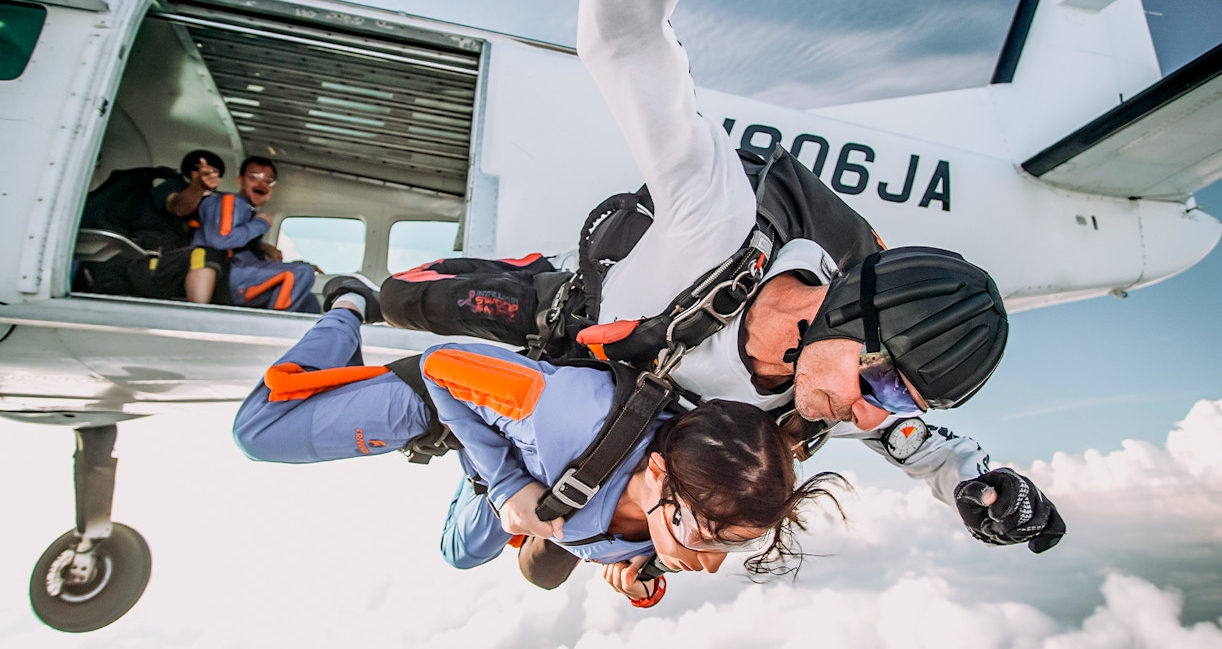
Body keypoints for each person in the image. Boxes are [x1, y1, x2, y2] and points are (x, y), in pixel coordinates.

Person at [468, 0, 1064, 562]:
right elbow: (624, 40)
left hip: (567, 431)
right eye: (885, 384)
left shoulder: (837, 385)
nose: (869, 414)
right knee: (406, 302)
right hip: (556, 312)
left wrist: (977, 486)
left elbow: (919, 443)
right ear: (853, 315)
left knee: (487, 548)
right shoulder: (719, 220)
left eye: (903, 400)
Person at [232, 279, 843, 604]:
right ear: (656, 474)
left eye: (732, 547)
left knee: (462, 553)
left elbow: (675, 537)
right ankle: (346, 305)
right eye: (704, 538)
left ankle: (480, 463)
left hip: (528, 470)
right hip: (450, 403)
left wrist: (641, 582)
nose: (705, 564)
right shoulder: (569, 413)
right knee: (259, 435)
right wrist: (507, 481)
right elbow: (445, 363)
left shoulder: (687, 508)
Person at [76, 150, 229, 303]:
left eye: (214, 172)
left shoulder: (213, 205)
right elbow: (177, 206)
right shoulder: (170, 185)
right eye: (200, 170)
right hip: (135, 265)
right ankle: (198, 318)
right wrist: (198, 187)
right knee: (205, 255)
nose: (208, 175)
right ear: (189, 172)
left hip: (159, 270)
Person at [192, 156, 321, 313]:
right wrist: (260, 224)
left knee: (309, 301)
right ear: (240, 181)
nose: (261, 184)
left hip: (245, 273)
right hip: (226, 276)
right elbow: (221, 240)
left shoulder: (248, 209)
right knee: (302, 272)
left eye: (269, 180)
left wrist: (266, 249)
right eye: (254, 177)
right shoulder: (229, 200)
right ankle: (273, 327)